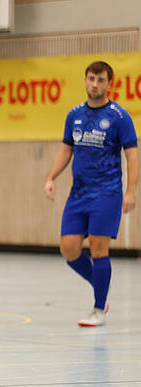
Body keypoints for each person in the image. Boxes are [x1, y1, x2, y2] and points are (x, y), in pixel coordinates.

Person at [44, 61, 138, 327]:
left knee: (98, 247)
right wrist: (51, 177)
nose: (95, 84)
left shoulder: (120, 117)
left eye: (100, 79)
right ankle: (101, 288)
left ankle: (98, 308)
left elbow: (132, 156)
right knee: (69, 248)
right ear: (85, 80)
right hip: (79, 193)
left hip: (107, 192)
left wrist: (131, 191)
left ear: (109, 83)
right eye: (91, 78)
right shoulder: (74, 114)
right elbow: (66, 150)